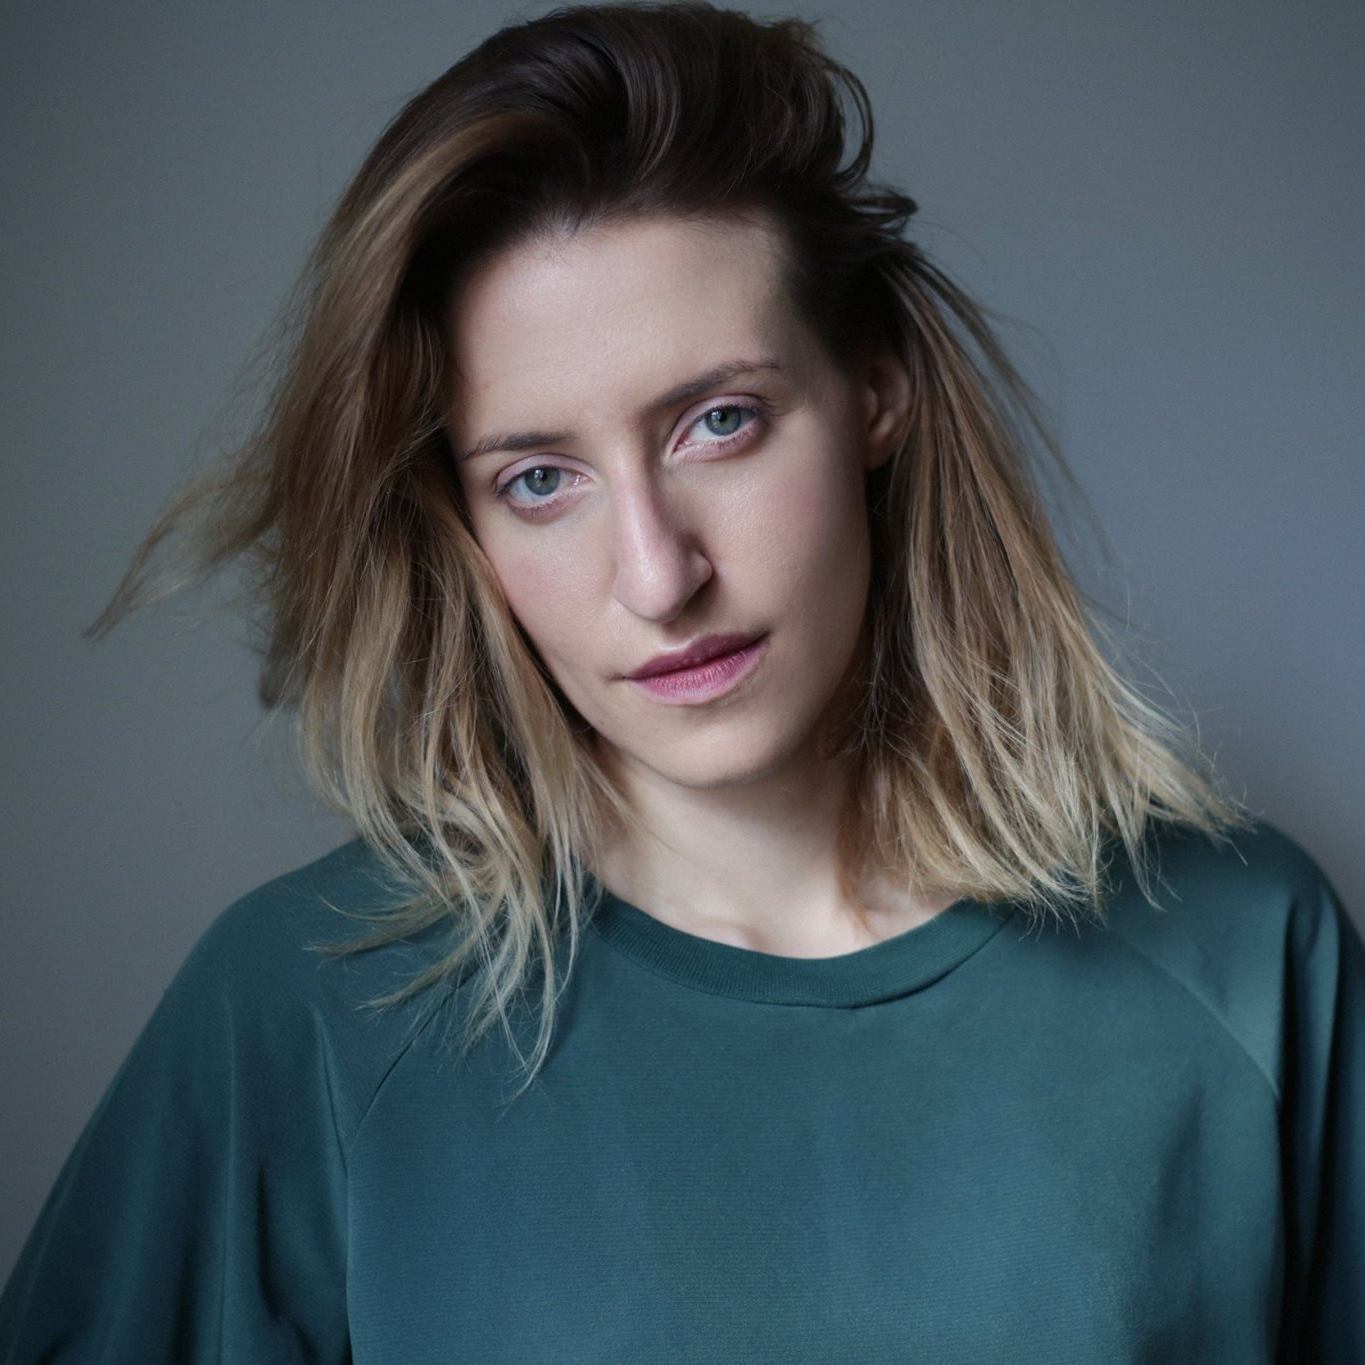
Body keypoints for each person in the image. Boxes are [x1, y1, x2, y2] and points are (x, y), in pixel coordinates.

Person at [2, 2, 1361, 1360]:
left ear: (876, 390)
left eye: (719, 422)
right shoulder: (303, 1013)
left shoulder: (1246, 956)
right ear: (460, 522)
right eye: (540, 480)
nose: (657, 577)